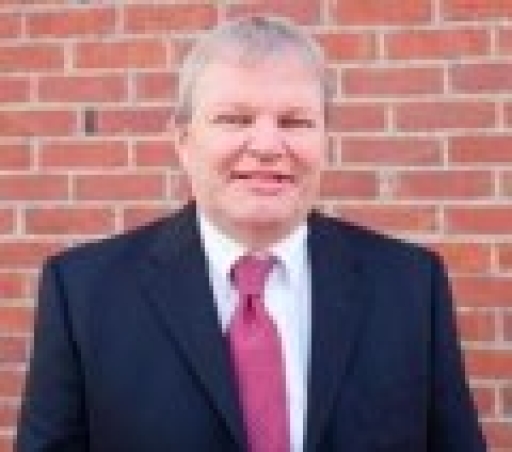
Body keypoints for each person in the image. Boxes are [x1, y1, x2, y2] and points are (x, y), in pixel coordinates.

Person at [16, 15, 486, 452]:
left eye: (294, 121)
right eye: (235, 119)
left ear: (326, 139)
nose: (266, 145)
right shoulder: (84, 293)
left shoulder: (409, 286)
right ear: (182, 140)